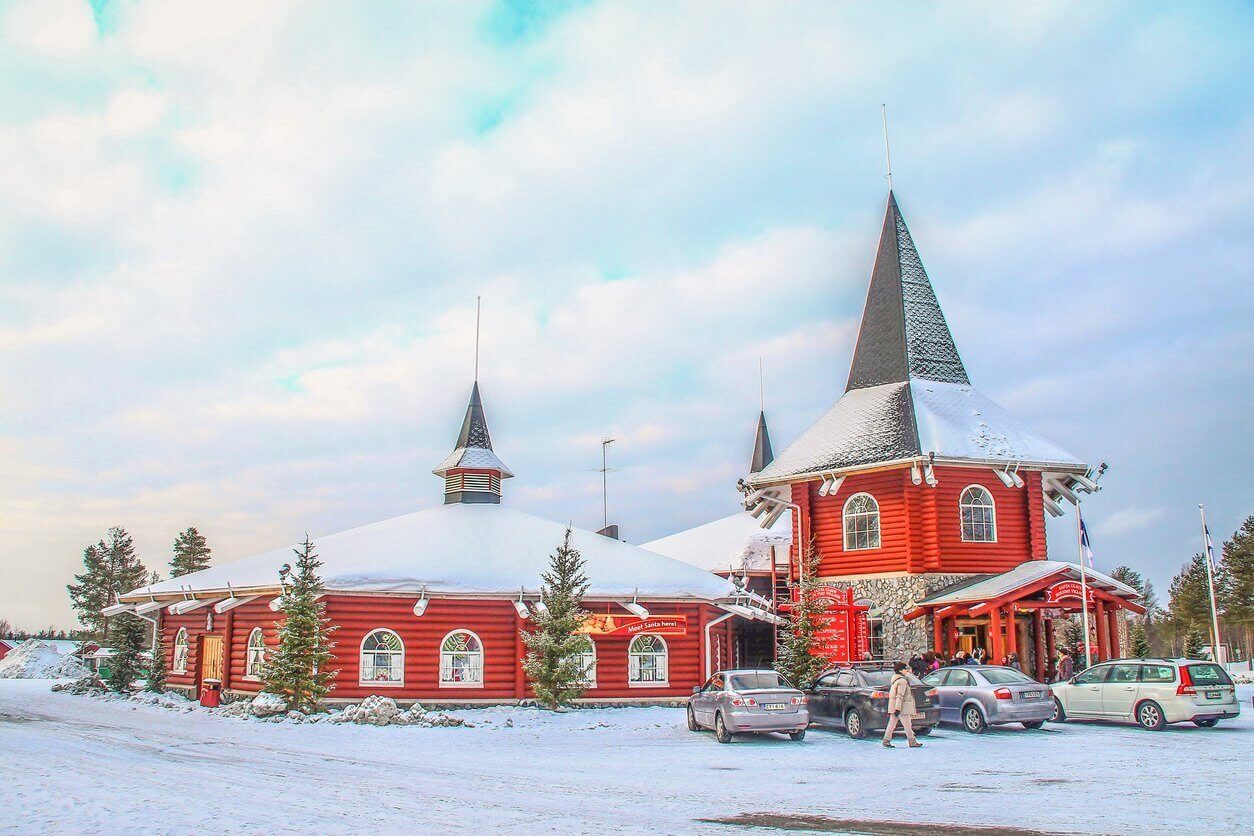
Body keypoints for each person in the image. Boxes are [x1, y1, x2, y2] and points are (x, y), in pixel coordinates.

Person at [882, 661, 922, 749]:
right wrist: (898, 708)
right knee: (907, 725)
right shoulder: (902, 681)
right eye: (905, 669)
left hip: (894, 706)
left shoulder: (895, 680)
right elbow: (900, 695)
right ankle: (912, 742)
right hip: (901, 707)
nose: (907, 670)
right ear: (900, 670)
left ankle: (886, 740)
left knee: (892, 724)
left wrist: (895, 708)